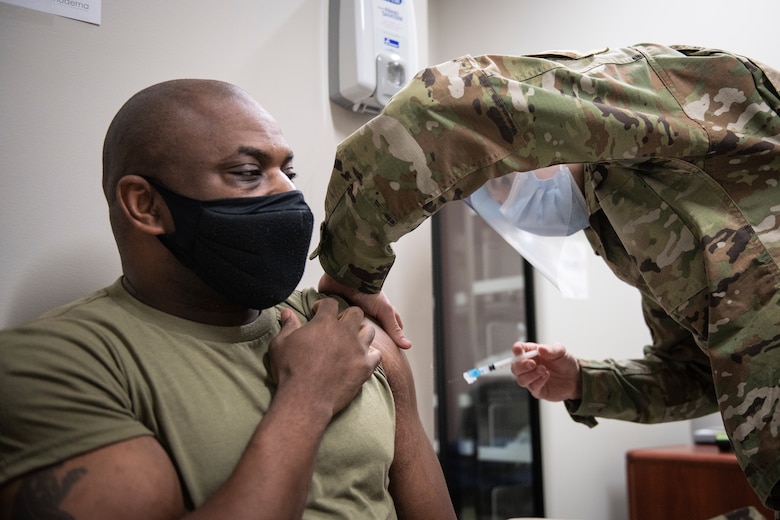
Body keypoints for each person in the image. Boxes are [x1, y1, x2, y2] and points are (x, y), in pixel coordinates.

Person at [311, 43, 780, 513]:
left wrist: (350, 268)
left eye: (497, 178)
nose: (508, 202)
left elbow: (444, 105)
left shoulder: (672, 103)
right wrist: (583, 382)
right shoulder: (622, 228)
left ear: (546, 137)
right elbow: (701, 375)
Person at [0, 79, 456, 519]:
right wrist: (308, 394)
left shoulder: (351, 333)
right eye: (247, 173)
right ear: (145, 204)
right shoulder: (55, 364)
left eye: (288, 171)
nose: (290, 193)